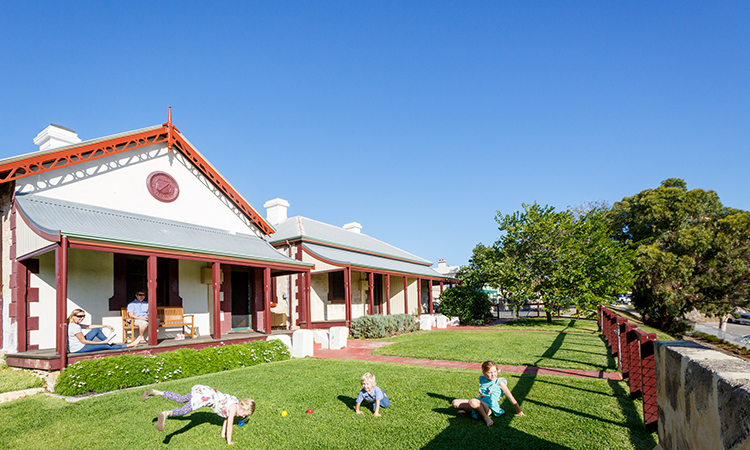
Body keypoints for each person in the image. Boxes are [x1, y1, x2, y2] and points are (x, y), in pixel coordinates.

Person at [142, 385, 255, 445]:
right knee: (184, 411)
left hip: (202, 389)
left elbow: (225, 419)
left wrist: (222, 435)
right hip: (205, 397)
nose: (242, 416)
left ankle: (156, 392)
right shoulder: (233, 407)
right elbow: (229, 425)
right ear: (243, 407)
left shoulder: (234, 403)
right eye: (245, 413)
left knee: (181, 399)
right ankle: (166, 413)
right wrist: (229, 442)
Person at [451, 360, 525, 426]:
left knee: (472, 401)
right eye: (489, 372)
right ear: (484, 372)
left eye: (495, 372)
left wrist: (519, 411)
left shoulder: (499, 382)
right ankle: (470, 410)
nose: (493, 374)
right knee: (454, 402)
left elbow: (510, 397)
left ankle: (486, 418)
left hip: (489, 407)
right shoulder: (483, 379)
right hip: (479, 402)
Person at [67, 309, 144, 353]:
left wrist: (105, 326)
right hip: (78, 348)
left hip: (77, 345)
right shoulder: (75, 326)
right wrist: (101, 343)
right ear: (73, 316)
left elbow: (88, 326)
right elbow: (83, 341)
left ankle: (109, 342)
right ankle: (129, 345)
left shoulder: (73, 324)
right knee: (105, 346)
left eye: (83, 316)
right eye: (79, 316)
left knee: (96, 330)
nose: (82, 318)